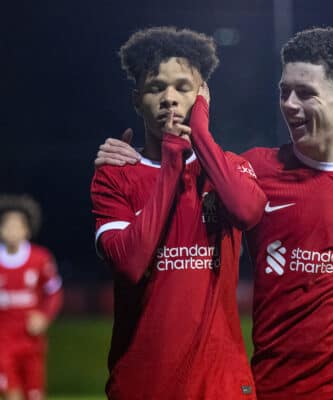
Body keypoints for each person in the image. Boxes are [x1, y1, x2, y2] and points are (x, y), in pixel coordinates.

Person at [94, 26, 333, 399]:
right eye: (283, 91)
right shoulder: (257, 169)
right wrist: (139, 160)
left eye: (305, 94)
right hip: (275, 386)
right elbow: (213, 187)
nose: (289, 103)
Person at [90, 26, 266, 399]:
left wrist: (199, 134)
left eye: (183, 87)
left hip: (221, 385)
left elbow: (247, 212)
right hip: (142, 386)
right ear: (137, 99)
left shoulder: (229, 168)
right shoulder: (114, 175)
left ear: (203, 96)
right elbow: (131, 263)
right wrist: (171, 162)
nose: (169, 98)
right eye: (156, 87)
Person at [0, 194, 63, 400]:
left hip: (32, 341)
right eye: (8, 226)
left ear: (27, 229)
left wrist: (44, 316)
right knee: (11, 395)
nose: (13, 230)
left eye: (18, 225)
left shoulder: (41, 259)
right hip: (2, 340)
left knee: (34, 395)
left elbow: (54, 293)